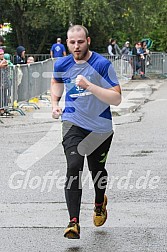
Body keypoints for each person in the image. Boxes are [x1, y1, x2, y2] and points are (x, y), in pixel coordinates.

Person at [50, 25, 121, 239]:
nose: (76, 46)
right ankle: (73, 222)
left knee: (97, 170)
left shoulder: (101, 64)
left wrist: (90, 86)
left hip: (100, 127)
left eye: (80, 42)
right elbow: (56, 81)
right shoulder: (62, 63)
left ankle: (100, 202)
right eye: (72, 42)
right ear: (67, 43)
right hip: (73, 123)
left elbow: (116, 98)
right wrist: (54, 102)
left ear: (87, 40)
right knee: (73, 166)